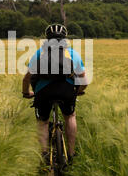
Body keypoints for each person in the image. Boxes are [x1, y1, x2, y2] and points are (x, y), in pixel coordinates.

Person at [22, 23, 88, 163]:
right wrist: (79, 91)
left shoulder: (40, 53)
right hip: (66, 91)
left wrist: (26, 92)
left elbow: (27, 77)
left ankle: (44, 154)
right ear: (65, 38)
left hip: (43, 92)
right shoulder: (71, 53)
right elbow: (83, 78)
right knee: (70, 116)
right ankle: (71, 153)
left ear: (47, 38)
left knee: (43, 122)